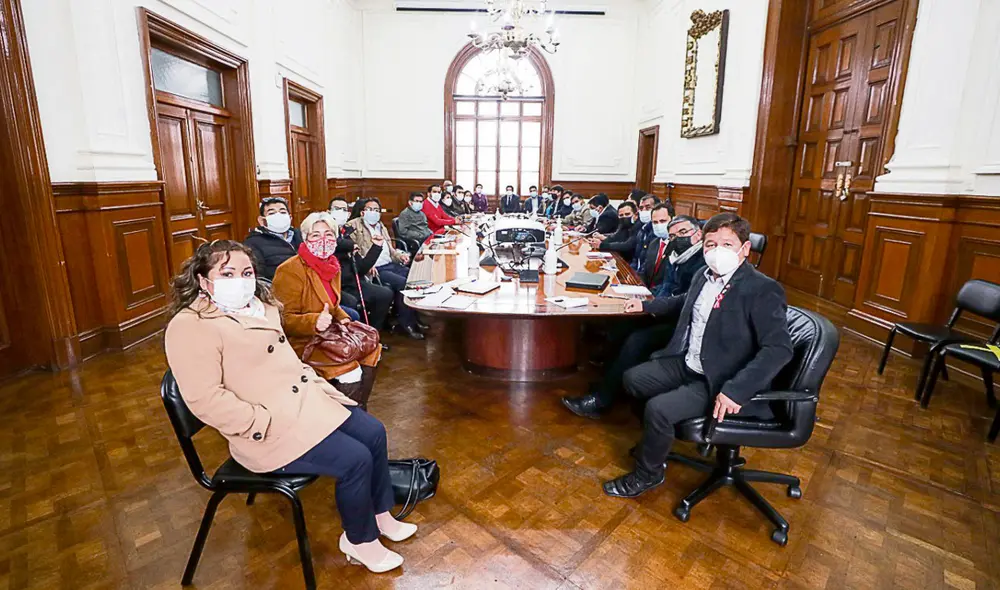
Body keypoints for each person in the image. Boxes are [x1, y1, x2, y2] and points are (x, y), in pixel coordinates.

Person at [164, 240, 411, 573]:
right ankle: (359, 540)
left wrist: (323, 392)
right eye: (227, 273)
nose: (240, 280)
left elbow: (287, 364)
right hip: (265, 428)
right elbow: (204, 400)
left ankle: (381, 514)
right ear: (203, 280)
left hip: (303, 401)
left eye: (246, 272)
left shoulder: (259, 306)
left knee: (374, 432)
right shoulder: (190, 326)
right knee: (355, 460)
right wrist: (259, 422)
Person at [601, 213, 793, 498]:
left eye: (727, 244)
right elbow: (682, 302)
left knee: (659, 409)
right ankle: (655, 444)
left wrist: (736, 391)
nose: (717, 251)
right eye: (711, 244)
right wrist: (645, 306)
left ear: (744, 249)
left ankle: (648, 474)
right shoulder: (703, 276)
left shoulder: (762, 289)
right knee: (633, 379)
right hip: (690, 361)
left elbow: (779, 349)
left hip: (721, 377)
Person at [562, 209, 706, 419]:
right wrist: (645, 300)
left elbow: (685, 300)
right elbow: (666, 287)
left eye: (683, 232)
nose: (677, 239)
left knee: (636, 340)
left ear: (698, 233)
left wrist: (650, 306)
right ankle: (610, 383)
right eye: (673, 235)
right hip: (663, 310)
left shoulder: (702, 262)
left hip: (682, 323)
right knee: (620, 327)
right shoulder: (677, 255)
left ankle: (602, 402)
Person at [272, 212, 383, 401]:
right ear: (305, 238)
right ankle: (344, 416)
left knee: (373, 350)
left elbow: (332, 305)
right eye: (315, 235)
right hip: (304, 341)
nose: (323, 239)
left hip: (329, 334)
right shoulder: (290, 270)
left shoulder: (332, 265)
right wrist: (314, 321)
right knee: (351, 372)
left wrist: (345, 319)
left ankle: (359, 409)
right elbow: (283, 319)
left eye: (329, 234)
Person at [347, 198, 425, 340]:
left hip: (389, 263)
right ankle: (405, 323)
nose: (374, 213)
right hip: (375, 268)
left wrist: (399, 256)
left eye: (377, 210)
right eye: (370, 209)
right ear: (363, 211)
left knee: (415, 277)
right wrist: (367, 264)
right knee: (403, 283)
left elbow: (390, 249)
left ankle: (414, 318)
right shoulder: (353, 226)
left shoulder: (380, 226)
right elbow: (353, 252)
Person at [244, 197, 302, 281]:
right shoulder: (253, 243)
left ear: (290, 218)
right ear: (262, 220)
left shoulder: (301, 235)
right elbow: (259, 278)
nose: (278, 216)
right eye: (271, 213)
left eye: (282, 212)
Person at [631, 195, 662, 274]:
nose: (644, 211)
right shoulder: (642, 229)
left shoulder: (658, 231)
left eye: (648, 207)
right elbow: (636, 257)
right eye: (641, 208)